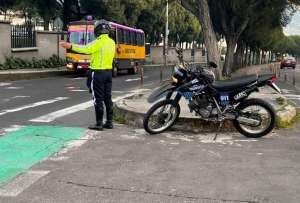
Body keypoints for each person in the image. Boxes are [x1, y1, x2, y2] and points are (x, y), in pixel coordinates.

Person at [60, 20, 116, 131]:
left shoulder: (98, 42)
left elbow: (85, 49)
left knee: (98, 98)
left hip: (98, 73)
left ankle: (99, 123)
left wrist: (70, 46)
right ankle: (109, 122)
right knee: (107, 98)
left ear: (97, 30)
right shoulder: (112, 42)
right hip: (108, 73)